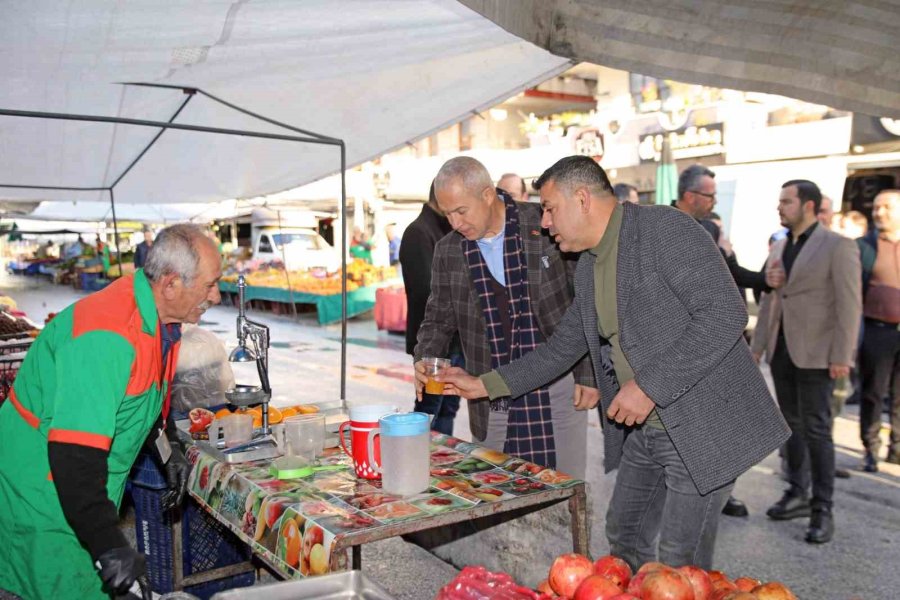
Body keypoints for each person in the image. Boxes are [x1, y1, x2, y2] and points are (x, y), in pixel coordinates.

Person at [440, 156, 789, 570]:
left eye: (550, 208)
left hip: (702, 425)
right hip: (647, 429)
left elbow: (725, 313)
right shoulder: (589, 265)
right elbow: (562, 348)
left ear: (582, 199)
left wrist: (647, 387)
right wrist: (484, 385)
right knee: (624, 536)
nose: (545, 222)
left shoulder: (665, 229)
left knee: (681, 561)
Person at [0, 224, 223, 599]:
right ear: (170, 285)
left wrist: (169, 450)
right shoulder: (107, 337)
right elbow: (73, 457)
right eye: (210, 284)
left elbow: (144, 398)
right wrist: (109, 547)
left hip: (80, 493)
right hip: (44, 497)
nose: (216, 296)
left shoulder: (158, 322)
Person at [414, 157, 597, 477]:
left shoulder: (543, 225)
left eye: (460, 211)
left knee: (563, 488)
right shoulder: (449, 250)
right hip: (487, 390)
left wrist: (588, 373)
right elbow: (438, 318)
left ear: (487, 195)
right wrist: (426, 357)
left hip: (558, 386)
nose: (454, 223)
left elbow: (582, 301)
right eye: (447, 214)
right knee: (494, 488)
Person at [751, 180, 861, 544]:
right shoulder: (780, 245)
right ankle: (796, 491)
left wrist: (841, 356)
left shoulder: (838, 245)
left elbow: (849, 305)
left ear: (809, 205)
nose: (779, 207)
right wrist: (759, 346)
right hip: (783, 352)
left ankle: (822, 508)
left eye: (786, 201)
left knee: (817, 430)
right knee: (791, 427)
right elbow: (770, 299)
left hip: (818, 354)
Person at [674, 165, 766, 518]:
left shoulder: (709, 228)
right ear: (691, 195)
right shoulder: (663, 225)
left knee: (720, 419)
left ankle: (719, 490)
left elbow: (732, 274)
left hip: (716, 341)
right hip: (684, 341)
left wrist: (763, 279)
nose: (713, 203)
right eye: (710, 196)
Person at [400, 182, 460, 435]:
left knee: (448, 405)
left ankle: (442, 455)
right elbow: (426, 291)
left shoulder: (446, 228)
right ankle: (417, 453)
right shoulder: (418, 232)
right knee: (429, 406)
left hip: (456, 338)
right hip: (435, 339)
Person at [857, 189, 900, 472]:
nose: (878, 212)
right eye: (875, 207)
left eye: (886, 207)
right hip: (876, 331)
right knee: (873, 392)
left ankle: (897, 448)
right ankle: (870, 447)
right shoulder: (863, 246)